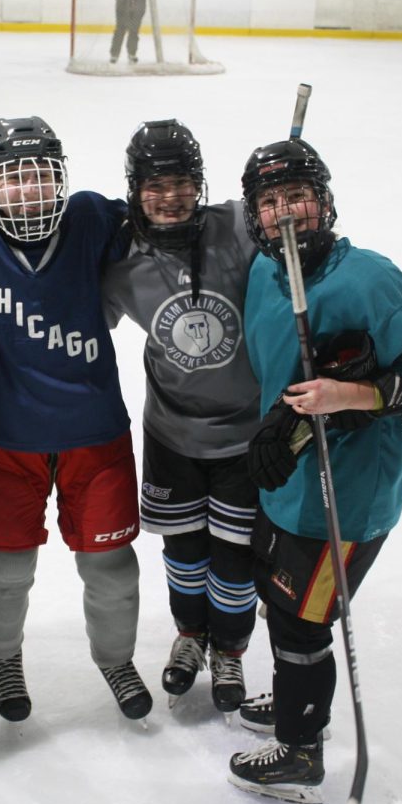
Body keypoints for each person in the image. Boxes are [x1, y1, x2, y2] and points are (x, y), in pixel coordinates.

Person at [228, 138, 402, 804]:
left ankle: (301, 752)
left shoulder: (369, 279)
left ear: (324, 200)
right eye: (268, 203)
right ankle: (297, 696)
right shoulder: (265, 274)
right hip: (291, 480)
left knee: (303, 623)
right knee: (282, 601)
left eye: (296, 196)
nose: (284, 214)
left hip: (348, 499)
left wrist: (352, 394)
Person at [0, 116, 150, 725]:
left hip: (96, 436)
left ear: (60, 178)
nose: (27, 190)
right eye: (12, 179)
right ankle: (5, 659)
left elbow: (167, 218)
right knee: (4, 572)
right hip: (7, 441)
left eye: (38, 176)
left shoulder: (89, 219)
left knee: (111, 570)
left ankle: (115, 659)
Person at [101, 120, 262, 716]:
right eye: (155, 185)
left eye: (183, 183)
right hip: (171, 432)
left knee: (235, 555)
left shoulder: (239, 226)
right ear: (135, 188)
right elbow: (75, 320)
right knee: (184, 548)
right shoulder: (121, 259)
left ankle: (231, 650)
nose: (170, 197)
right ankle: (191, 636)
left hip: (247, 432)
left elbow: (297, 243)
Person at [108, 0, 158, 64]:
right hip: (123, 4)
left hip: (138, 6)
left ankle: (132, 54)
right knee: (120, 29)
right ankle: (114, 55)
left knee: (134, 31)